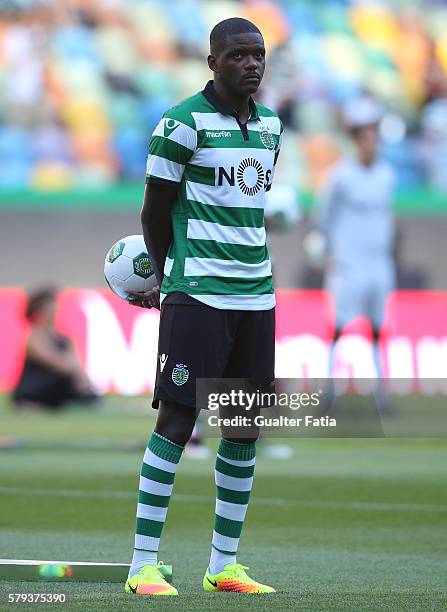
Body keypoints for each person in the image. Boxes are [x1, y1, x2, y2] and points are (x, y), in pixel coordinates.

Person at [124, 18, 282, 596]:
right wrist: (168, 280)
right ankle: (142, 565)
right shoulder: (181, 123)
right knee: (178, 418)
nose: (252, 63)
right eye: (238, 55)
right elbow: (153, 214)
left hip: (256, 294)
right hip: (198, 295)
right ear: (211, 61)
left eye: (258, 54)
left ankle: (223, 565)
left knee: (242, 428)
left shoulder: (270, 127)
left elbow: (247, 208)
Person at [315, 96, 396, 388]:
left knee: (378, 328)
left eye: (375, 137)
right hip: (348, 264)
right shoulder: (341, 176)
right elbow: (323, 217)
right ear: (357, 140)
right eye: (366, 137)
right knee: (338, 327)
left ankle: (381, 392)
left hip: (378, 263)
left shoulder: (387, 175)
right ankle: (329, 391)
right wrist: (327, 251)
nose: (371, 143)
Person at [13, 287, 97, 409]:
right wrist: (74, 371)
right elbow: (53, 361)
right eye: (50, 306)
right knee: (63, 381)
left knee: (86, 393)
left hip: (58, 385)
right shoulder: (34, 337)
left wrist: (83, 379)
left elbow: (76, 364)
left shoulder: (65, 339)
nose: (55, 309)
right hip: (36, 388)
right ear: (39, 311)